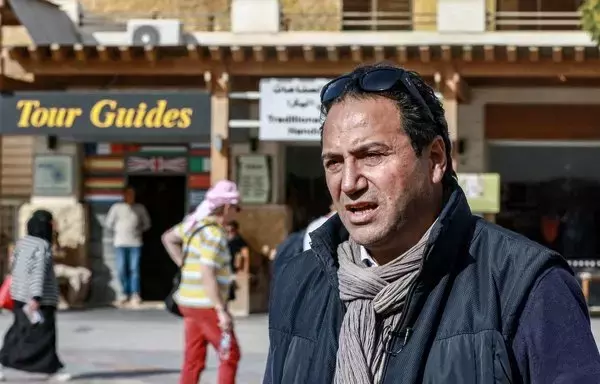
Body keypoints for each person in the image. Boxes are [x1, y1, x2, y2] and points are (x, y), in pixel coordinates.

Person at [263, 63, 600, 384]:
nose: (349, 183)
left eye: (372, 155)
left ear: (436, 159)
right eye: (334, 162)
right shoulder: (299, 281)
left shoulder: (527, 285)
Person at [162, 180, 241, 384]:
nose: (237, 213)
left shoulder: (193, 224)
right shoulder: (214, 233)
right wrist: (221, 310)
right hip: (206, 305)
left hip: (188, 303)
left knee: (193, 358)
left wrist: (185, 265)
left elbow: (168, 238)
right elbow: (207, 272)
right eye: (236, 207)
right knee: (229, 354)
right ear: (225, 207)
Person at [0, 210, 71, 382]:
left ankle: (6, 363)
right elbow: (38, 272)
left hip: (19, 296)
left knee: (19, 331)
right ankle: (50, 369)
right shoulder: (42, 245)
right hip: (40, 299)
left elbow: (15, 268)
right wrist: (36, 297)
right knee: (45, 334)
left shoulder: (22, 243)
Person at [105, 187, 151, 307]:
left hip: (135, 243)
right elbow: (109, 223)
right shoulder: (116, 207)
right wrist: (119, 230)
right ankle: (124, 294)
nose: (130, 197)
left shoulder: (140, 208)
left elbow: (147, 224)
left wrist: (138, 231)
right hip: (120, 243)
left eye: (132, 194)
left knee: (134, 269)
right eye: (128, 194)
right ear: (124, 195)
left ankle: (135, 294)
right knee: (121, 269)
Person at [225, 220, 249, 302]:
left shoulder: (240, 241)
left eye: (232, 230)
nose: (230, 233)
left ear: (236, 230)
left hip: (233, 268)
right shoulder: (223, 240)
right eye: (227, 231)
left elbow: (246, 257)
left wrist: (245, 271)